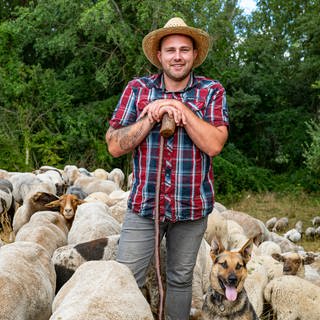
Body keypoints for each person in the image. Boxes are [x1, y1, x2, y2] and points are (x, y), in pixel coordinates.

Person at [105, 17, 229, 320]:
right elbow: (114, 145)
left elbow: (214, 144)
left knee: (179, 279)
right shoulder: (137, 89)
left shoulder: (211, 91)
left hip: (192, 206)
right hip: (145, 204)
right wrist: (151, 116)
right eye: (170, 50)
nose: (177, 56)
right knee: (125, 275)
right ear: (159, 56)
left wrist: (182, 110)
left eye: (184, 49)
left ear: (195, 55)